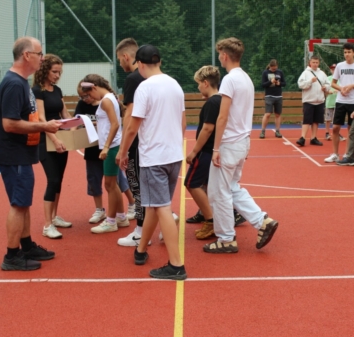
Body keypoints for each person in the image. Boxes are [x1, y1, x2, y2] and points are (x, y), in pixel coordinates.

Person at [116, 44, 187, 280]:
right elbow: (183, 122)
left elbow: (133, 126)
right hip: (173, 155)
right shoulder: (175, 85)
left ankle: (176, 264)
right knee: (154, 204)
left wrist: (123, 152)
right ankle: (141, 249)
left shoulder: (145, 88)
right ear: (160, 62)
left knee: (161, 207)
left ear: (140, 64)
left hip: (153, 157)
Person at [204, 37, 278, 254]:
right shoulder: (246, 78)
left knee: (219, 192)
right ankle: (261, 220)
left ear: (225, 56)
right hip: (242, 141)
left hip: (228, 144)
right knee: (232, 187)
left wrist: (216, 148)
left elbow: (222, 116)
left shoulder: (229, 80)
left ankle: (226, 239)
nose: (219, 58)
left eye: (219, 54)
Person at [0, 37, 62, 271]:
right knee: (18, 204)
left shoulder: (21, 82)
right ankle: (12, 255)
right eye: (39, 54)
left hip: (21, 153)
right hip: (14, 154)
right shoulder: (14, 84)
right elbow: (10, 124)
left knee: (23, 203)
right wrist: (44, 127)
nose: (42, 58)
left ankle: (26, 245)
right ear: (26, 55)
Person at [74, 82, 136, 225]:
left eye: (87, 95)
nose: (87, 99)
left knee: (111, 185)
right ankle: (120, 217)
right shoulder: (108, 99)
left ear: (94, 88)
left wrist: (106, 147)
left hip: (111, 146)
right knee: (112, 184)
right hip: (108, 145)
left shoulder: (106, 101)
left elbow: (115, 124)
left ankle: (111, 221)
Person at [32, 54, 73, 239]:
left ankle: (55, 217)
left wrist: (78, 124)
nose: (57, 75)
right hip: (45, 141)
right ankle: (47, 225)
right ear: (45, 70)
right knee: (53, 179)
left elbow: (64, 113)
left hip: (61, 139)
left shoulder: (57, 90)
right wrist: (55, 140)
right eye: (54, 71)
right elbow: (41, 118)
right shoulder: (37, 90)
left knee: (59, 180)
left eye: (60, 72)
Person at [114, 38, 149, 247]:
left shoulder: (133, 79)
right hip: (154, 141)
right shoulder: (158, 79)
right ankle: (162, 223)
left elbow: (130, 116)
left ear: (127, 57)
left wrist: (123, 149)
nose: (120, 64)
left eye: (120, 60)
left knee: (137, 187)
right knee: (153, 188)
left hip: (137, 143)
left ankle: (140, 232)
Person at [184, 65, 222, 240]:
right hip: (210, 150)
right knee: (208, 185)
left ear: (206, 83)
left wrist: (193, 152)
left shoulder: (213, 102)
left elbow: (207, 129)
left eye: (199, 84)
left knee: (191, 183)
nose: (198, 87)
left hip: (205, 151)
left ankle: (210, 220)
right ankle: (212, 216)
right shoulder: (221, 100)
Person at [324, 43, 354, 163]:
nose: (347, 54)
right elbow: (333, 83)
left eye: (349, 52)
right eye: (345, 52)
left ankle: (348, 154)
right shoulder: (340, 66)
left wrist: (352, 86)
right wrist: (341, 89)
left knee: (351, 129)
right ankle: (335, 154)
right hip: (341, 100)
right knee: (335, 128)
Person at [296, 56, 329, 146]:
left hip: (319, 101)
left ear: (319, 63)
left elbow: (328, 83)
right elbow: (301, 85)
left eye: (316, 62)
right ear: (310, 63)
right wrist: (310, 81)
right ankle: (302, 137)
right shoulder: (305, 73)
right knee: (307, 120)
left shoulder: (322, 73)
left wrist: (325, 87)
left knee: (316, 121)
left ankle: (313, 138)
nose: (315, 64)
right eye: (313, 62)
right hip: (309, 100)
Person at [260, 59, 286, 139]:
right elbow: (263, 85)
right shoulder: (265, 72)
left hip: (278, 96)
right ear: (270, 66)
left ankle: (277, 131)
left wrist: (279, 83)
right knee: (268, 114)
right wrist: (270, 81)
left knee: (277, 114)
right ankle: (263, 131)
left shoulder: (280, 72)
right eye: (273, 68)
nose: (274, 69)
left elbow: (284, 83)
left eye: (275, 68)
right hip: (269, 96)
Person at [324, 64, 345, 142]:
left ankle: (337, 133)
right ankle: (327, 133)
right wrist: (330, 91)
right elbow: (325, 90)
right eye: (332, 69)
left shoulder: (341, 79)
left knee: (337, 120)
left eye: (335, 69)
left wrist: (340, 90)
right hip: (329, 102)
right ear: (330, 70)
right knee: (328, 119)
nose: (333, 70)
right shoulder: (328, 79)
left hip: (338, 102)